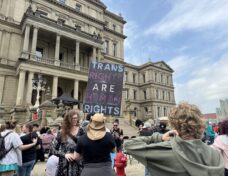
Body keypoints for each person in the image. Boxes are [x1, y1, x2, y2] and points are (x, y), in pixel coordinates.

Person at [124, 103, 224, 176]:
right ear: (201, 125)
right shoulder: (216, 155)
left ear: (175, 125)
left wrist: (160, 137)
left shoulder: (163, 151)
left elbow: (128, 145)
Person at [50, 110, 84, 176]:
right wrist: (64, 154)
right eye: (73, 118)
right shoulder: (62, 132)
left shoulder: (82, 131)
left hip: (79, 166)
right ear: (68, 119)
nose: (75, 120)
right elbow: (52, 149)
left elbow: (86, 147)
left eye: (76, 118)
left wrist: (79, 154)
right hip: (64, 166)